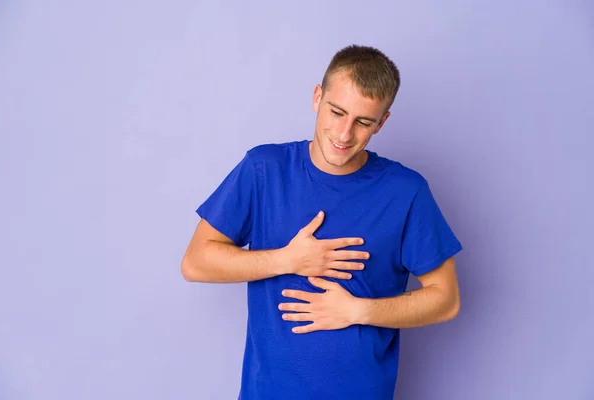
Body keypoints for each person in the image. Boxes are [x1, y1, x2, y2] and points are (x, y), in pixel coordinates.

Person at [181, 44, 463, 399]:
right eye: (336, 112)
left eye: (363, 122)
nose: (344, 134)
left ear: (382, 122)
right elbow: (195, 262)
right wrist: (288, 259)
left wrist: (357, 310)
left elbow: (446, 299)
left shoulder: (406, 192)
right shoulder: (264, 169)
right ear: (318, 97)